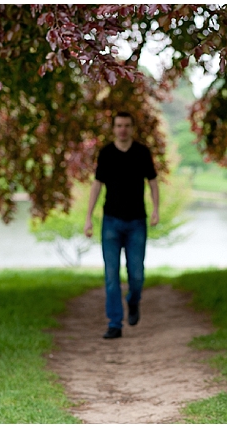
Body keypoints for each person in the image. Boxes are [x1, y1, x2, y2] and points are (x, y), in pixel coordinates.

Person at [84, 111, 159, 339]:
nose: (122, 129)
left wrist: (156, 209)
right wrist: (88, 217)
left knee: (136, 274)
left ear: (132, 128)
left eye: (126, 125)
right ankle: (115, 323)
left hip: (137, 221)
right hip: (111, 223)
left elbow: (153, 182)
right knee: (111, 274)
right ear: (114, 128)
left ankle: (133, 301)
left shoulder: (142, 152)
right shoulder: (106, 153)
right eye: (118, 125)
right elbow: (97, 185)